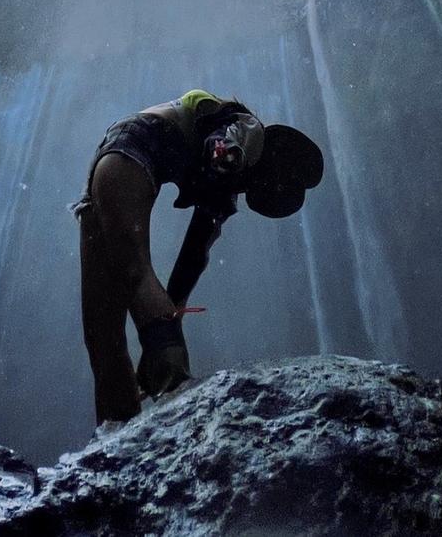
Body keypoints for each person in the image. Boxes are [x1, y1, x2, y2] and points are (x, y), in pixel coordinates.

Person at [71, 89, 324, 425]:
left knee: (102, 329)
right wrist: (226, 154)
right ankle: (173, 396)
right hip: (127, 159)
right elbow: (226, 142)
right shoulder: (248, 130)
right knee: (136, 276)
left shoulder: (226, 186)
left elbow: (192, 258)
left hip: (109, 171)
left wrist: (160, 335)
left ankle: (115, 431)